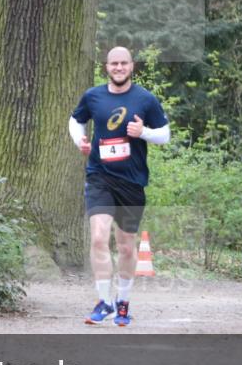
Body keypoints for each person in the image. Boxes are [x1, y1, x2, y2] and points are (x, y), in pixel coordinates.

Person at [68, 46, 170, 326]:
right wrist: (81, 141)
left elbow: (165, 134)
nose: (119, 68)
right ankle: (104, 302)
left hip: (132, 181)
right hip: (99, 176)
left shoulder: (145, 99)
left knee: (126, 246)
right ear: (107, 67)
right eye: (114, 63)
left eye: (124, 63)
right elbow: (75, 121)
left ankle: (123, 302)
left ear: (131, 66)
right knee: (99, 238)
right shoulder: (93, 96)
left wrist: (144, 132)